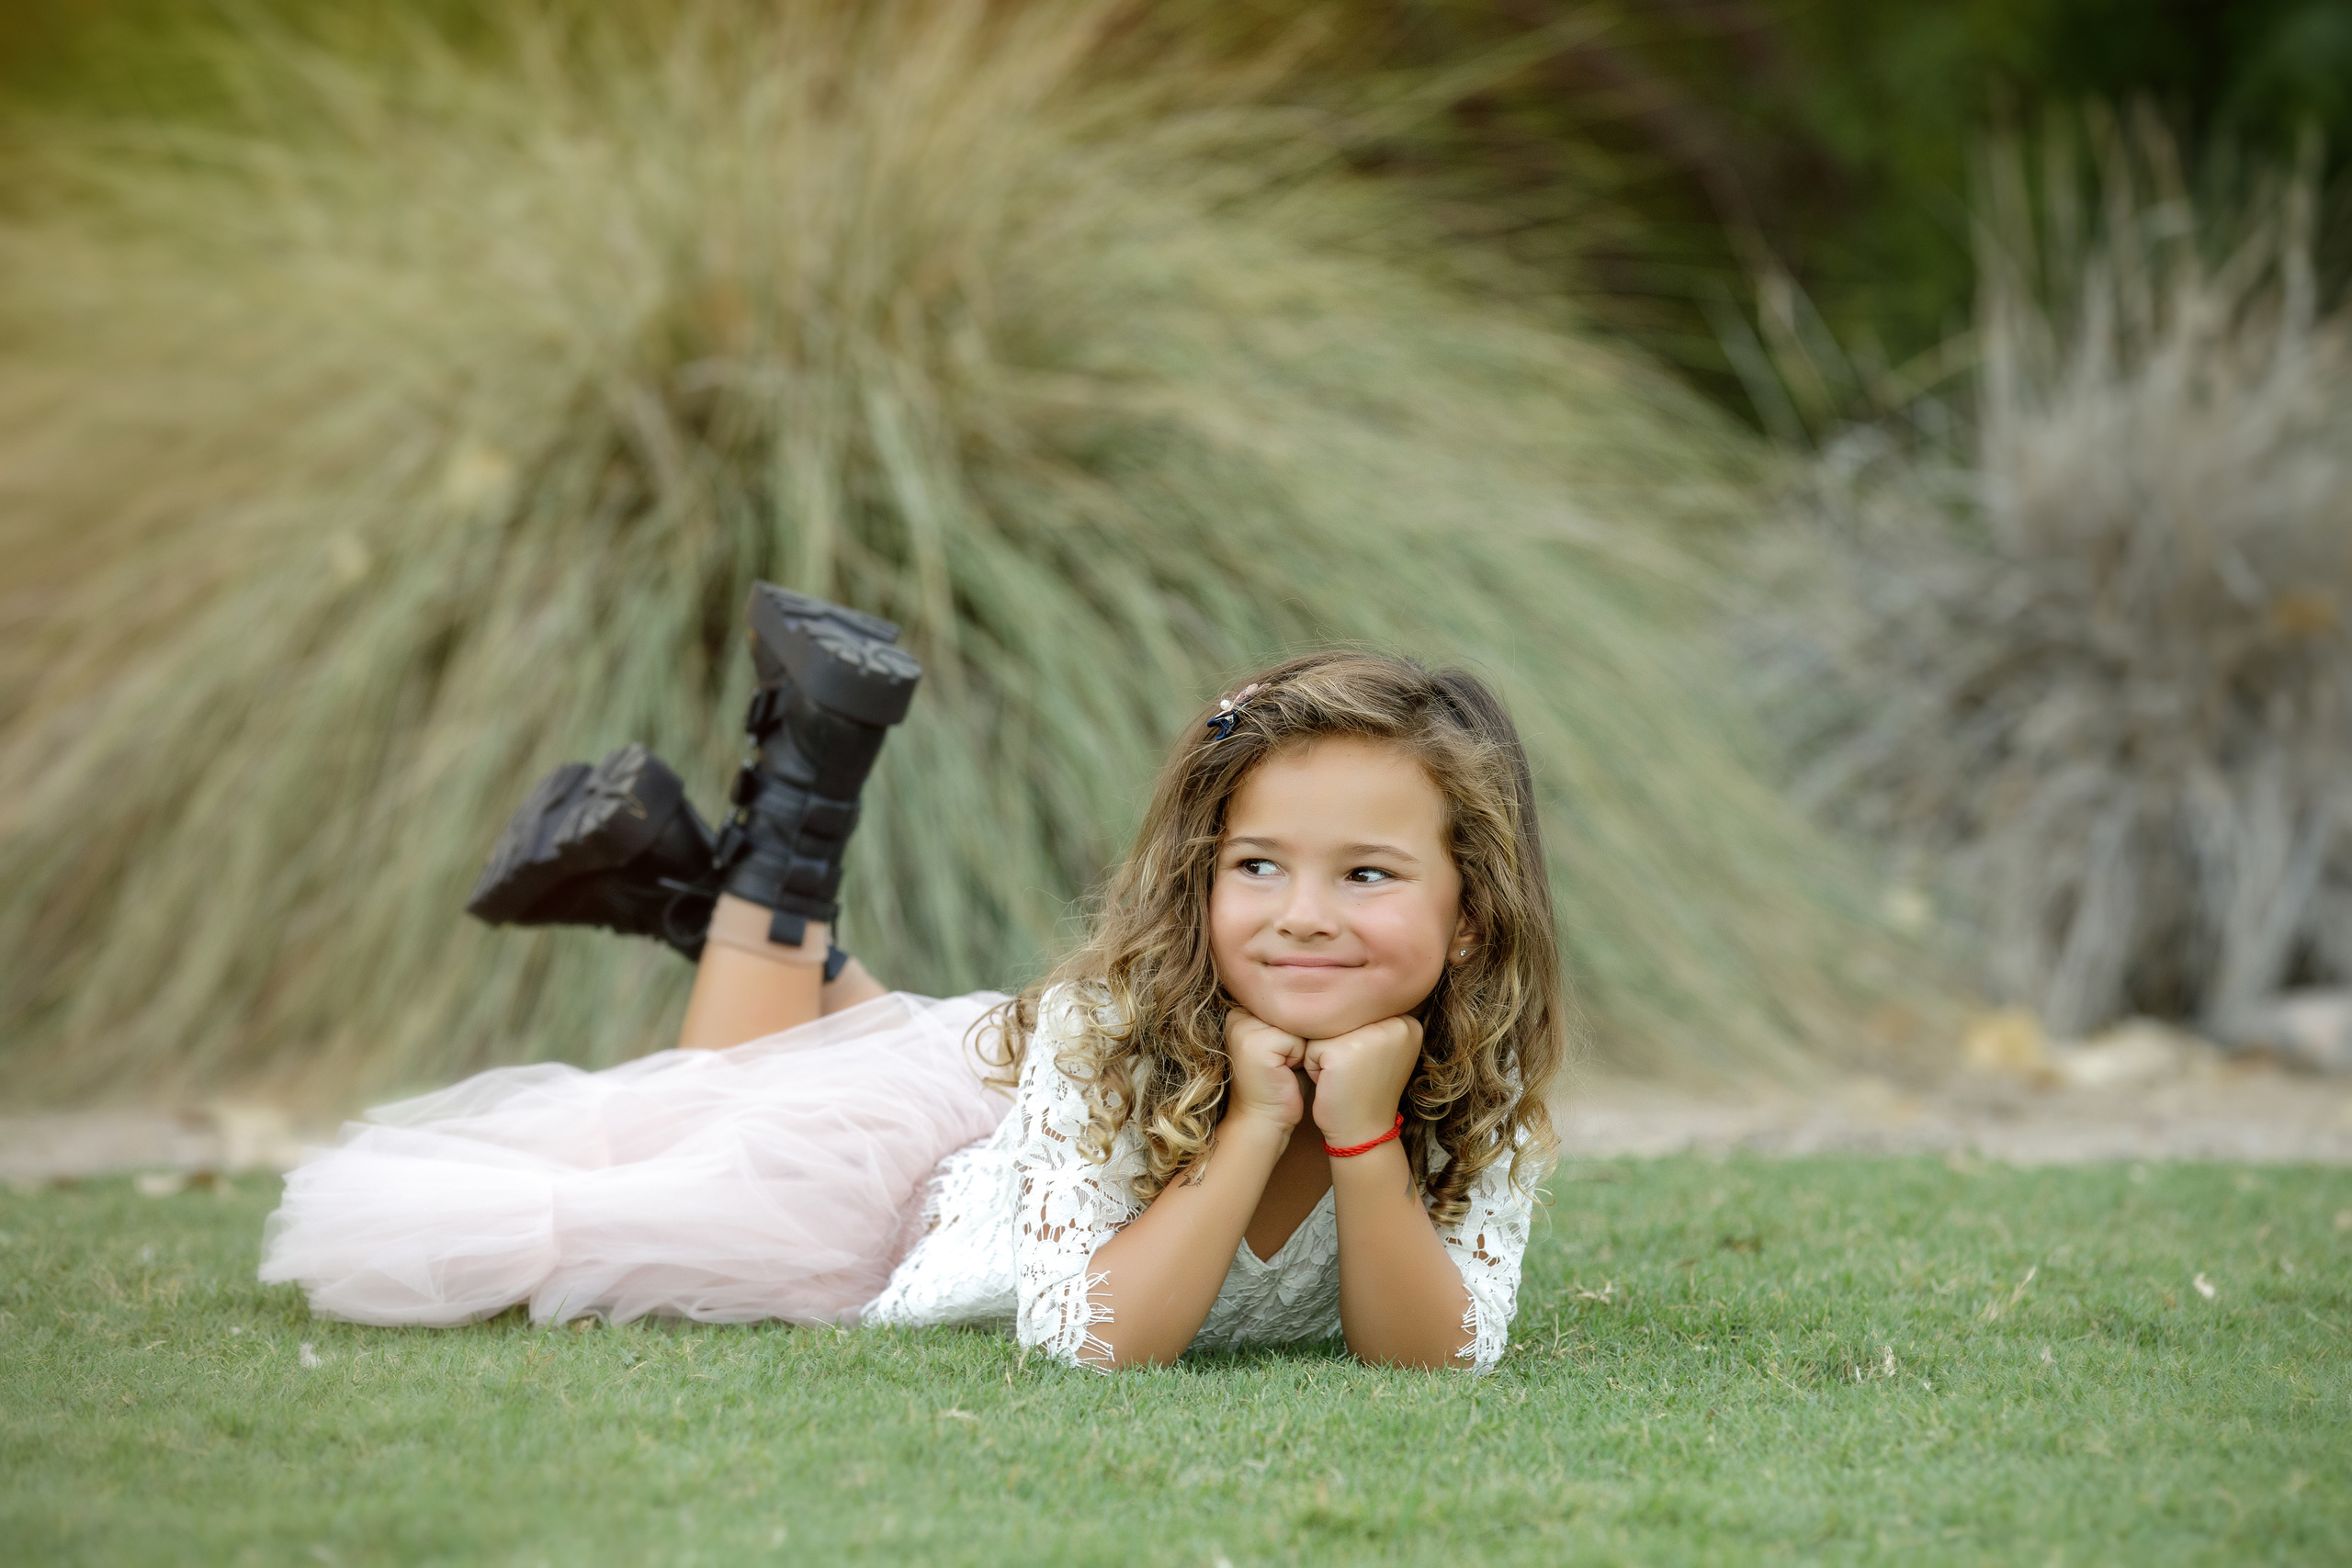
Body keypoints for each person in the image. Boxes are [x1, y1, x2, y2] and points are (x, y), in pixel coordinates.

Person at [261, 586, 1564, 1371]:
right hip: (905, 1216)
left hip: (988, 1108)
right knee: (725, 1135)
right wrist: (1263, 1123)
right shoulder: (1112, 1031)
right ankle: (781, 845)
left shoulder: (1482, 1086)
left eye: (1371, 877)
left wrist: (1366, 1135)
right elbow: (1090, 1339)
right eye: (1260, 867)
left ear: (1470, 918)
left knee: (813, 1081)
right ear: (1199, 881)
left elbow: (1430, 1357)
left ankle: (729, 885)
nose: (1303, 918)